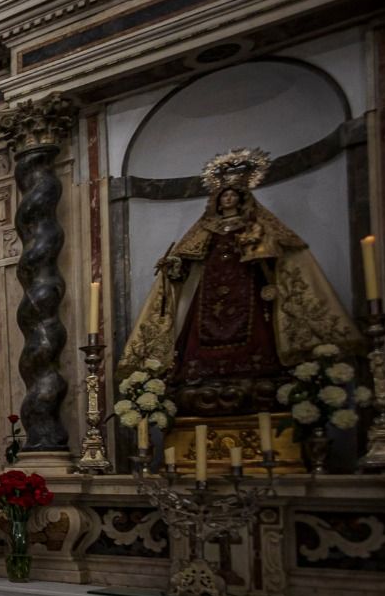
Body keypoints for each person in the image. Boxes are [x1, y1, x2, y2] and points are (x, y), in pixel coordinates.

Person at [121, 148, 361, 415]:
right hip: (210, 294)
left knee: (258, 330)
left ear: (242, 198)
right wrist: (172, 265)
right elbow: (186, 262)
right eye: (224, 195)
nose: (228, 199)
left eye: (233, 195)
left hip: (246, 287)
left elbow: (276, 256)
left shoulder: (257, 226)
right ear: (217, 200)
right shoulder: (205, 230)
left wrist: (261, 255)